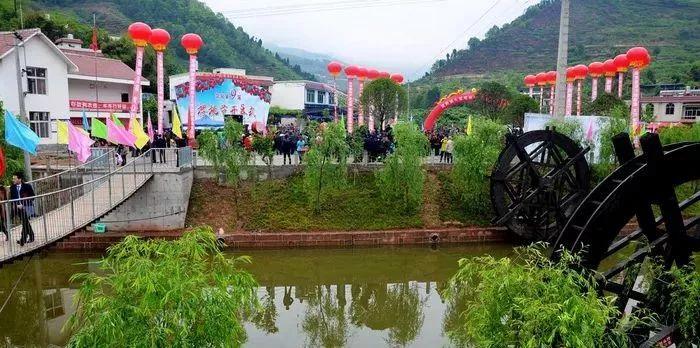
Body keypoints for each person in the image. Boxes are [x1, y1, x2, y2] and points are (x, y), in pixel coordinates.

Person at [10, 172, 35, 246]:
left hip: (27, 207)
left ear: (20, 179)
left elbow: (32, 197)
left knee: (24, 222)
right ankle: (31, 236)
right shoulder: (12, 188)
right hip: (18, 209)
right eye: (13, 178)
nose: (13, 180)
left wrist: (23, 204)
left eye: (15, 178)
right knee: (26, 222)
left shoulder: (27, 186)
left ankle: (22, 239)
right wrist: (16, 205)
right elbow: (12, 199)